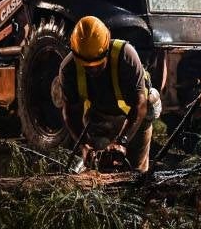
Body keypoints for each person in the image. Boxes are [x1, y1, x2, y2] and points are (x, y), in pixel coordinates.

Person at [59, 16, 156, 171]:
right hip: (101, 117)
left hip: (136, 115)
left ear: (106, 49)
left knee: (136, 172)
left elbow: (140, 104)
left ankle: (138, 171)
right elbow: (70, 112)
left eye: (98, 64)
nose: (93, 70)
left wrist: (122, 141)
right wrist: (84, 145)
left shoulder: (126, 56)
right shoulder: (68, 68)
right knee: (102, 165)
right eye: (87, 66)